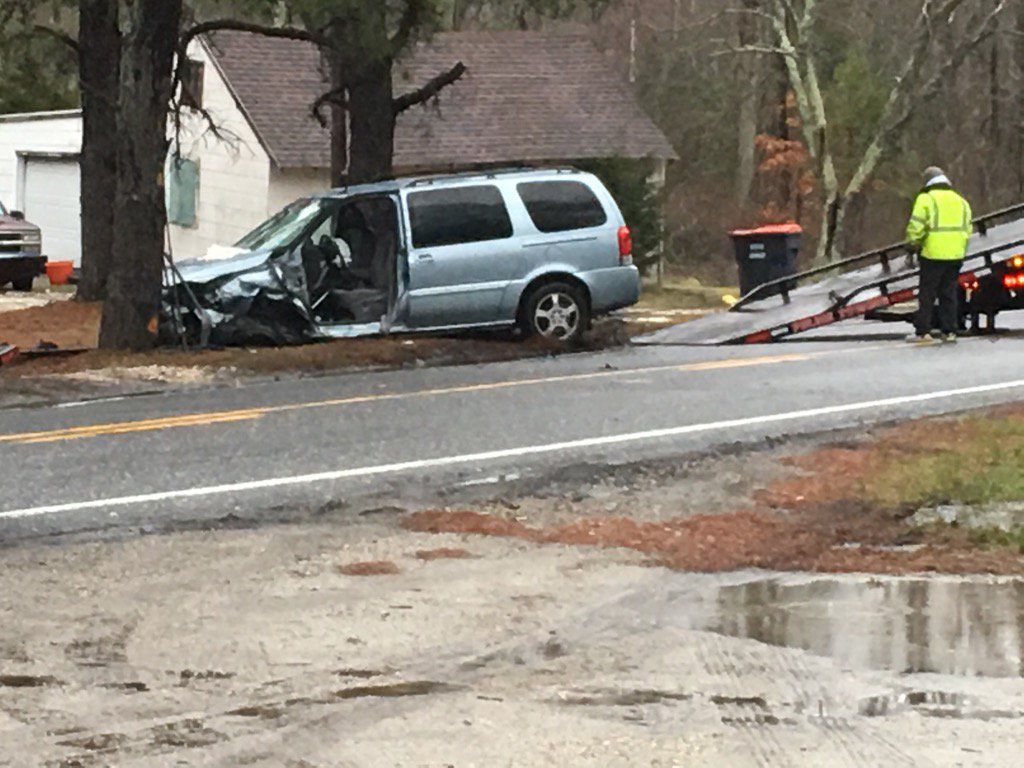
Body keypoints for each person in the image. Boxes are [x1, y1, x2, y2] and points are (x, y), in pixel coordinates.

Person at [906, 166, 973, 343]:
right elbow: (968, 229)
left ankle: (923, 332)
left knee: (927, 294)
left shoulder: (926, 199)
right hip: (955, 254)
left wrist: (912, 244)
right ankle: (949, 331)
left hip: (932, 253)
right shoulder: (961, 201)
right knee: (949, 294)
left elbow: (916, 226)